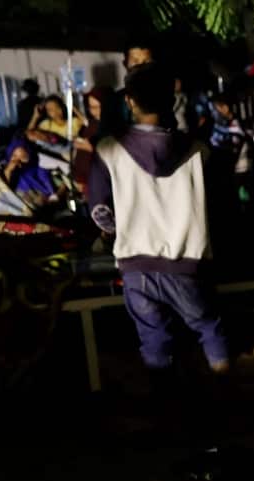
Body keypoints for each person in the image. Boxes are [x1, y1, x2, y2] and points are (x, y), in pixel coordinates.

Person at [86, 63, 229, 375]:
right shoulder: (199, 150)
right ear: (171, 100)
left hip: (136, 268)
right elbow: (219, 204)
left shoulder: (108, 150)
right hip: (188, 264)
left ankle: (165, 408)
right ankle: (226, 391)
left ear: (130, 101)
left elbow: (99, 211)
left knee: (155, 341)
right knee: (209, 328)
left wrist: (120, 229)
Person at [0, 137, 66, 234]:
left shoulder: (42, 169)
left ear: (29, 154)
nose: (17, 160)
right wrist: (9, 170)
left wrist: (55, 197)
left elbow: (64, 184)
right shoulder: (9, 176)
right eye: (14, 155)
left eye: (23, 156)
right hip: (23, 220)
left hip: (48, 213)